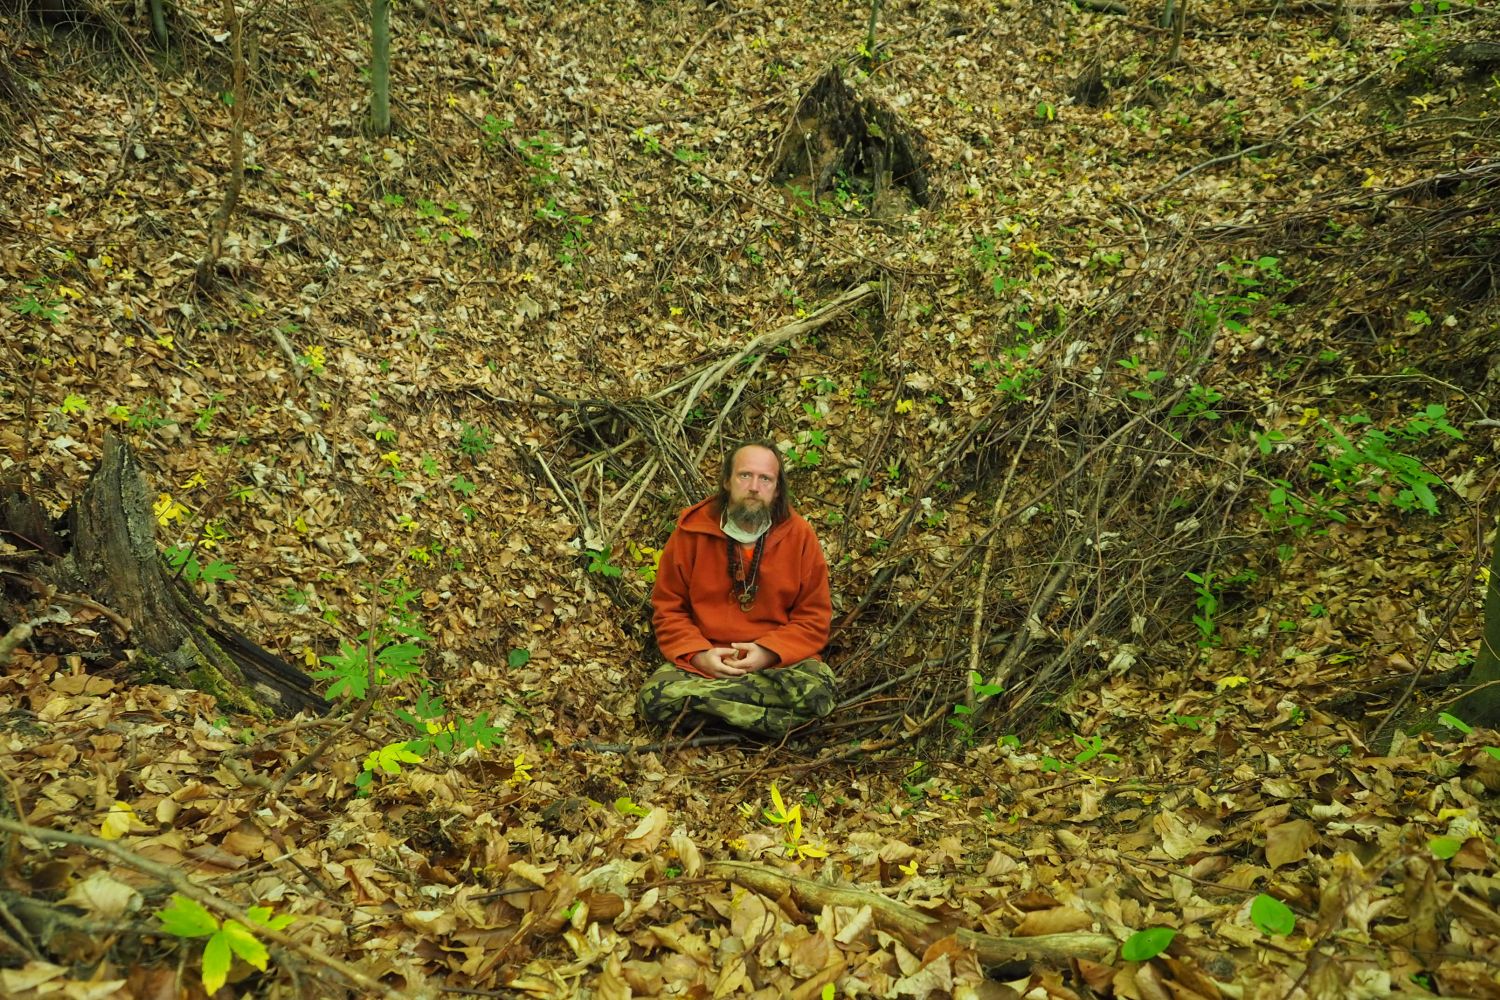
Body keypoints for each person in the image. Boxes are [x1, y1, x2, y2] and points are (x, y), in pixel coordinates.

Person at [637, 442, 836, 738]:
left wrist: (768, 652)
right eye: (745, 475)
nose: (754, 487)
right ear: (726, 481)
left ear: (777, 489)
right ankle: (764, 723)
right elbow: (669, 608)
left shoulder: (800, 536)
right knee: (654, 697)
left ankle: (711, 717)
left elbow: (814, 617)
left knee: (818, 691)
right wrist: (699, 654)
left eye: (765, 479)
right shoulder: (691, 532)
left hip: (776, 666)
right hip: (706, 665)